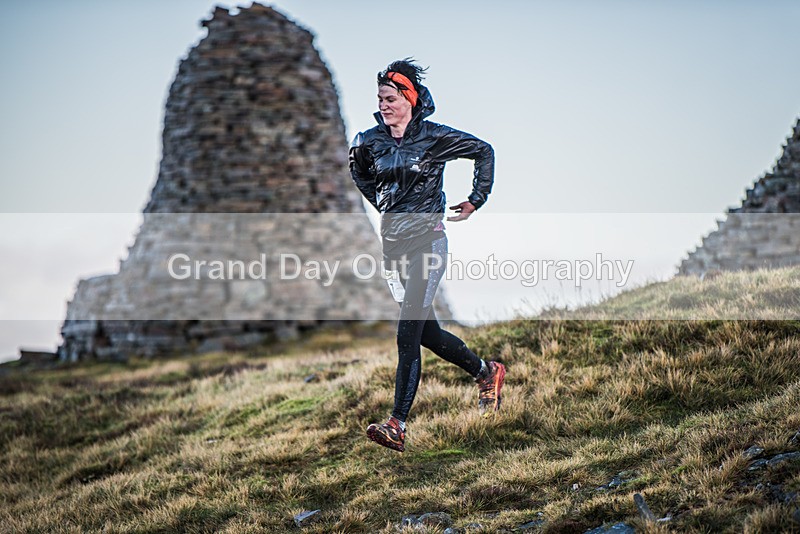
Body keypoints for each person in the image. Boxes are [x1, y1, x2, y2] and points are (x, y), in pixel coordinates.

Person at [348, 58, 506, 453]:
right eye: (380, 99)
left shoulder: (434, 137)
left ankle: (396, 425)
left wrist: (476, 198)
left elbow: (483, 151)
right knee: (429, 334)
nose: (383, 105)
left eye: (390, 98)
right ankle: (487, 372)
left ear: (410, 98)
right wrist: (388, 207)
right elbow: (360, 174)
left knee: (407, 335)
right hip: (394, 250)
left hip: (428, 243)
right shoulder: (369, 141)